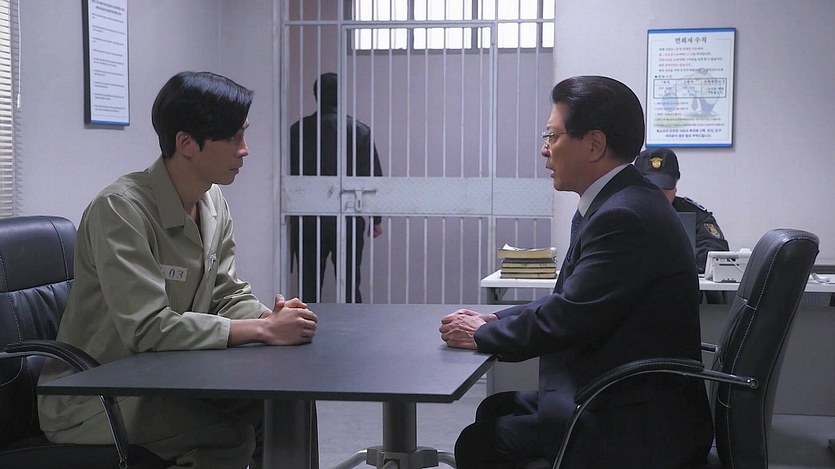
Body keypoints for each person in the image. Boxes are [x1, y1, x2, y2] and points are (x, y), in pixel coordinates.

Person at [38, 71, 319, 469]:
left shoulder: (212, 201)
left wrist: (269, 318)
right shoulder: (120, 210)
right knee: (228, 438)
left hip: (166, 378)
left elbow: (225, 293)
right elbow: (147, 327)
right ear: (186, 143)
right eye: (233, 137)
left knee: (285, 404)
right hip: (95, 396)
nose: (245, 150)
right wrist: (262, 331)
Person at [439, 76, 713, 468]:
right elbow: (571, 299)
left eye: (553, 136)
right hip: (617, 393)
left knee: (479, 442)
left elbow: (568, 317)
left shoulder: (624, 216)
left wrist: (481, 334)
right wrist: (495, 319)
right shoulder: (617, 201)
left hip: (634, 420)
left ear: (594, 144)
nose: (544, 149)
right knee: (495, 409)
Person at [289, 72, 384, 303]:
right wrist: (376, 219)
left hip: (308, 218)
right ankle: (353, 324)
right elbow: (372, 176)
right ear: (341, 96)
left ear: (317, 95)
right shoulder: (360, 130)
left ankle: (305, 322)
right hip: (348, 216)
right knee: (350, 283)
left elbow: (290, 173)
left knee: (309, 286)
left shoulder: (299, 130)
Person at [634, 147, 729, 273]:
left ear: (675, 185)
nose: (658, 194)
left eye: (665, 188)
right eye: (651, 187)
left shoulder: (695, 214)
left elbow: (716, 251)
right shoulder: (620, 213)